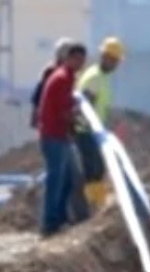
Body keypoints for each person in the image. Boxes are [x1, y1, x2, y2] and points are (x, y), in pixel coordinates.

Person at [37, 40, 87, 236]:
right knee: (55, 180)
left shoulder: (67, 77)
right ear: (70, 58)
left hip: (59, 135)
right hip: (54, 135)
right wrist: (77, 121)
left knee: (65, 179)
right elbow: (62, 111)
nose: (81, 64)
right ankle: (50, 223)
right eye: (78, 59)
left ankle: (58, 218)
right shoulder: (62, 78)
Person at [74, 36, 125, 212]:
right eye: (115, 61)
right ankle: (92, 208)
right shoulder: (95, 77)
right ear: (107, 57)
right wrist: (86, 130)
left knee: (98, 169)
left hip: (93, 131)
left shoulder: (100, 76)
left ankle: (96, 204)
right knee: (93, 170)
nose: (116, 65)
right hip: (86, 131)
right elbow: (84, 108)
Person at [30, 37, 71, 129]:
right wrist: (35, 114)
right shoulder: (51, 71)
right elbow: (39, 94)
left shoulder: (67, 72)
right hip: (49, 117)